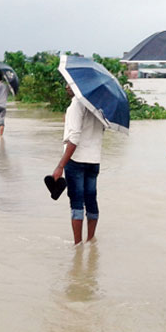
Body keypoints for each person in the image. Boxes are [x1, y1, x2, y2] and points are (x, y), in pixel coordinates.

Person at [52, 85, 105, 245]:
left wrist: (61, 165)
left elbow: (74, 138)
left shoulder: (77, 104)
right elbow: (99, 130)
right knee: (91, 200)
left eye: (70, 84)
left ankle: (78, 245)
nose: (67, 86)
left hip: (76, 161)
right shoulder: (99, 106)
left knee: (76, 202)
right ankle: (90, 240)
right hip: (94, 160)